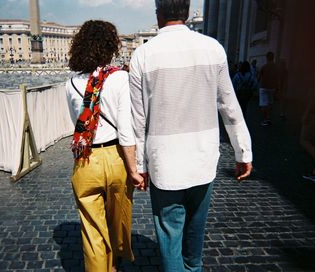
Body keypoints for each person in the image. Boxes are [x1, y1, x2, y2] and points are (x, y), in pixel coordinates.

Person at [128, 1, 253, 271]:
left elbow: (138, 119)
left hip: (164, 163)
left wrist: (140, 166)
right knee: (195, 235)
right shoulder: (213, 49)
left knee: (170, 235)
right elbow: (229, 106)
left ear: (158, 13)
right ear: (185, 12)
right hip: (202, 159)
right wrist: (243, 152)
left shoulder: (143, 55)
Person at [65, 20, 143, 272]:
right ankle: (117, 262)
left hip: (86, 160)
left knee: (93, 232)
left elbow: (77, 124)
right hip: (117, 158)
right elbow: (126, 130)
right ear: (111, 46)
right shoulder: (121, 78)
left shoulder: (71, 83)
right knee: (118, 221)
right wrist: (135, 169)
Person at [258, 51, 279, 126]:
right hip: (272, 87)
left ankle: (265, 119)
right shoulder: (276, 67)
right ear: (273, 58)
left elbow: (259, 77)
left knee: (263, 104)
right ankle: (269, 117)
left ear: (267, 58)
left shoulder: (264, 67)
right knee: (270, 103)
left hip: (263, 87)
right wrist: (277, 88)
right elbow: (277, 78)